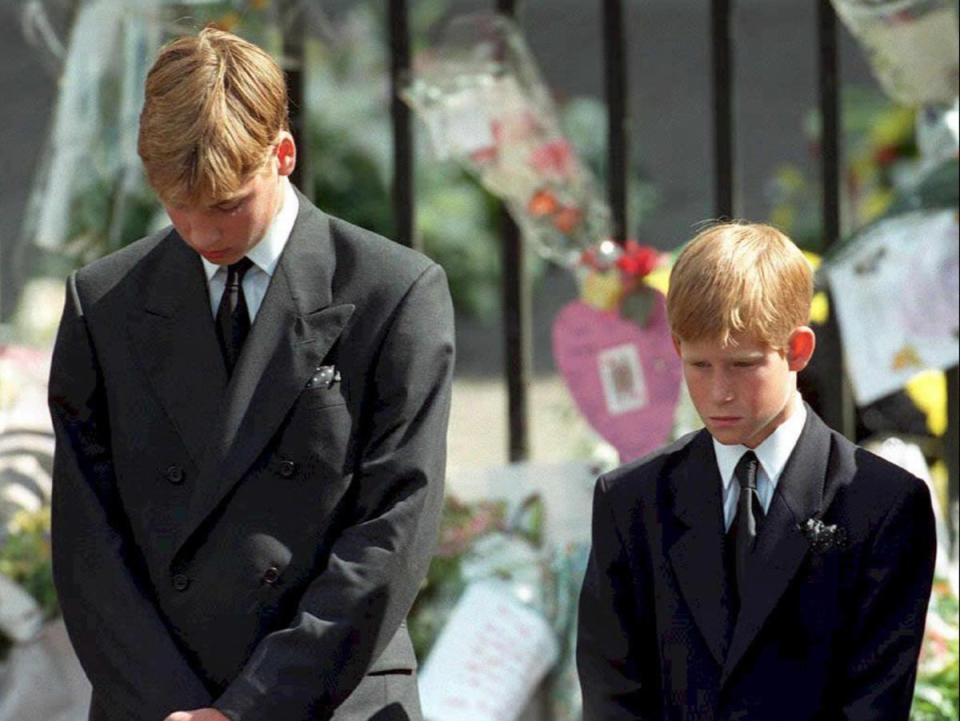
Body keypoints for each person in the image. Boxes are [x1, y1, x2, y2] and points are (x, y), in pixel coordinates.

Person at [47, 27, 454, 721]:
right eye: (179, 207)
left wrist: (250, 709)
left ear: (283, 154)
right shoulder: (104, 303)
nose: (204, 232)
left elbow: (392, 530)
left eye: (228, 204)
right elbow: (87, 541)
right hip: (157, 703)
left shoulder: (395, 293)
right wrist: (173, 708)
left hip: (333, 696)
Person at [576, 222, 936, 720]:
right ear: (677, 348)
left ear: (797, 350)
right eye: (699, 365)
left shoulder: (882, 503)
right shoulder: (631, 501)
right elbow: (612, 693)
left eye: (743, 365)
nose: (719, 391)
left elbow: (875, 700)